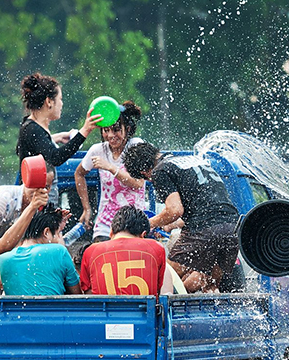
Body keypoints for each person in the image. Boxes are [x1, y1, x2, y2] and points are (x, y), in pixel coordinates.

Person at [123, 143, 238, 293]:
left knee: (164, 278)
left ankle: (156, 313)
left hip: (205, 229)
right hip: (232, 228)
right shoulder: (190, 161)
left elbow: (174, 210)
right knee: (208, 283)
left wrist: (147, 223)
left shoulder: (160, 170)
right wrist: (169, 225)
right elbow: (207, 207)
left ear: (144, 171)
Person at [15, 72, 102, 196]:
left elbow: (24, 147)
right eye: (60, 99)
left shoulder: (31, 126)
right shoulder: (32, 129)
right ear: (49, 102)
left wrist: (57, 137)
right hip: (34, 203)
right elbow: (56, 157)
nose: (62, 104)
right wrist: (85, 131)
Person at [75, 101, 147, 242]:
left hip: (134, 224)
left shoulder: (136, 146)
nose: (110, 135)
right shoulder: (98, 150)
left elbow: (138, 183)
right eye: (106, 130)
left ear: (127, 129)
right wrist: (86, 208)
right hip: (106, 225)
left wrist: (110, 167)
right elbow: (79, 174)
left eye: (116, 130)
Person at [79, 206, 172, 296]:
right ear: (143, 235)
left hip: (105, 311)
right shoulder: (156, 248)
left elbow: (88, 294)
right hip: (145, 311)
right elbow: (159, 289)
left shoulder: (91, 251)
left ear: (111, 232)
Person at [0, 204, 79, 295]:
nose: (61, 238)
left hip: (16, 309)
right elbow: (77, 295)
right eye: (59, 233)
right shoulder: (59, 251)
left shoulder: (3, 259)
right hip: (53, 309)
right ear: (46, 232)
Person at [0, 165, 55, 238]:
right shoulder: (3, 200)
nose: (40, 191)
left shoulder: (41, 206)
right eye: (36, 185)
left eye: (45, 187)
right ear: (26, 180)